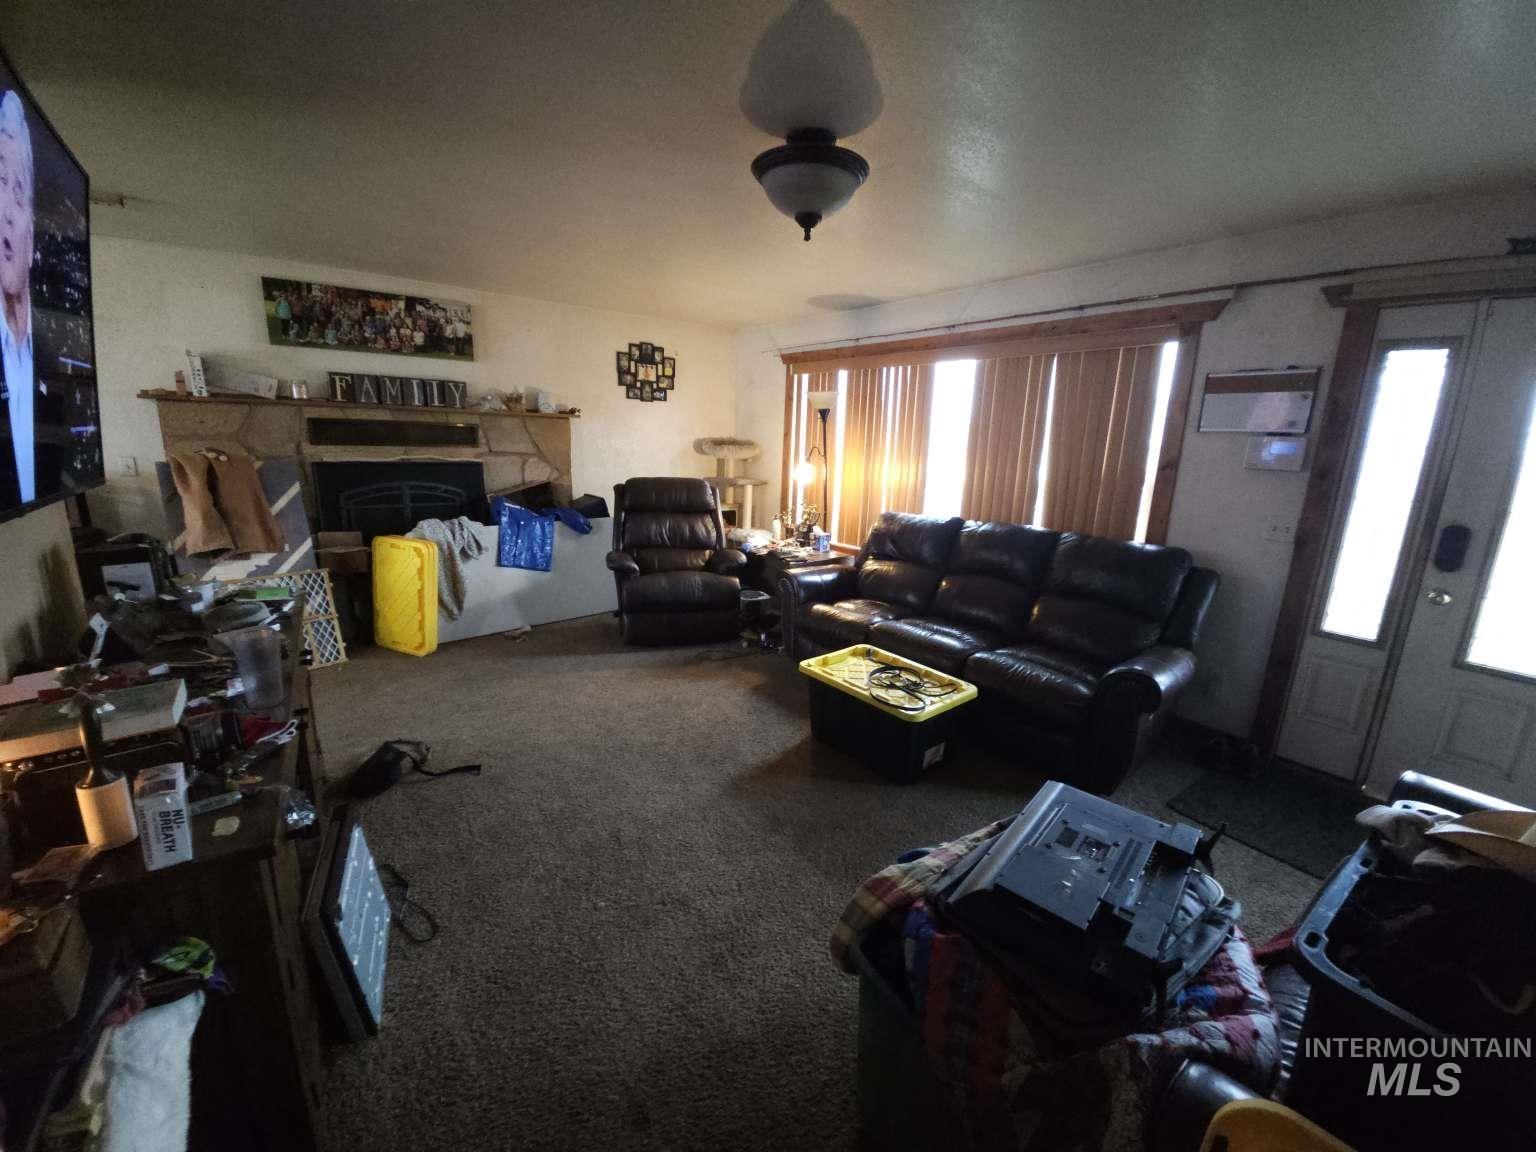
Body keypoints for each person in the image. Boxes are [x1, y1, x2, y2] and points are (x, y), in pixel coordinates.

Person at [0, 89, 67, 509]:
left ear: (32, 226)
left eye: (18, 188)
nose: (7, 211)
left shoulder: (46, 353)